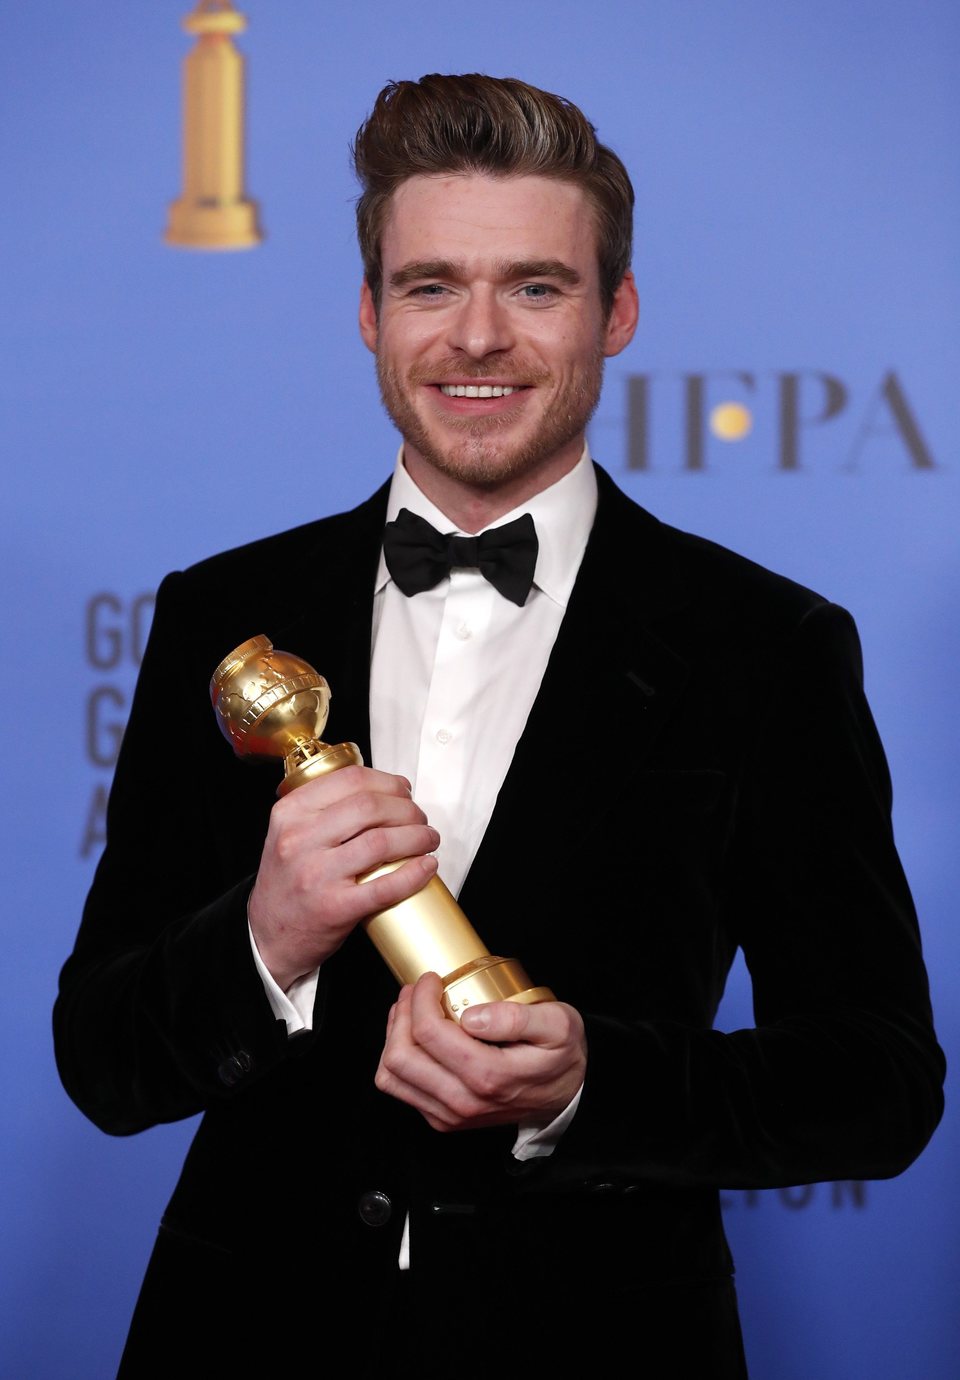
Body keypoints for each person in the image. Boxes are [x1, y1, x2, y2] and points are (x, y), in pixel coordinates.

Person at [54, 73, 944, 1379]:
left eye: (535, 286)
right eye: (430, 286)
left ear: (618, 312)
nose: (477, 337)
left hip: (604, 1343)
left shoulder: (766, 647)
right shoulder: (225, 615)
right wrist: (264, 941)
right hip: (244, 1335)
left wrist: (589, 1086)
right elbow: (104, 1061)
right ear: (368, 315)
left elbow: (877, 1086)